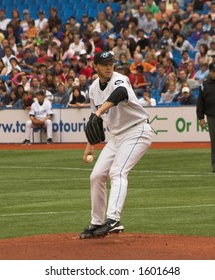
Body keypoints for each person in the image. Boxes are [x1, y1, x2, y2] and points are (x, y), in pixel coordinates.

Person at [80, 51, 153, 239]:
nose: (108, 66)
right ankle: (96, 222)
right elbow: (94, 120)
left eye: (111, 63)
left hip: (137, 131)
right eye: (104, 64)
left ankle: (113, 219)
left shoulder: (120, 80)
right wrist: (90, 145)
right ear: (95, 67)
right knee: (96, 176)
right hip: (118, 137)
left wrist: (100, 111)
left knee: (118, 172)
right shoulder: (93, 88)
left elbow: (120, 94)